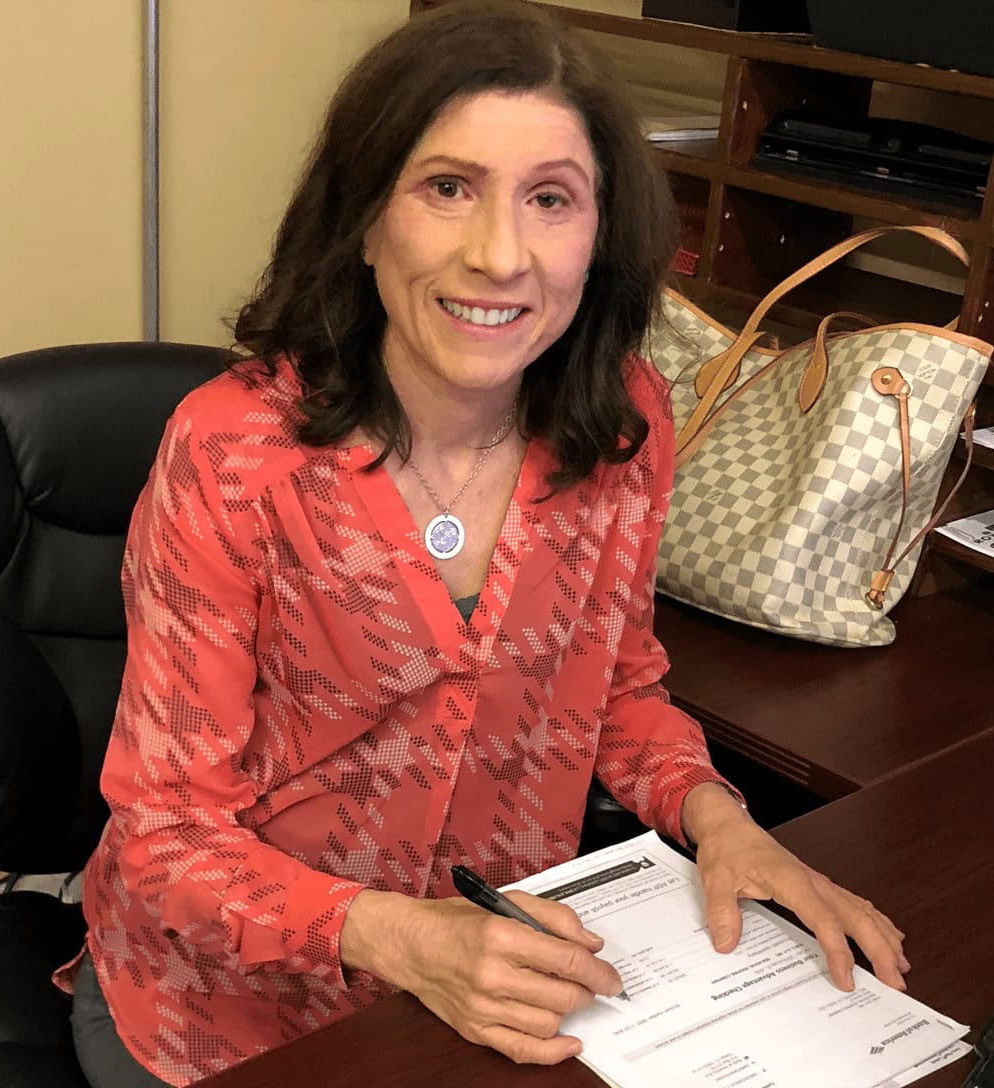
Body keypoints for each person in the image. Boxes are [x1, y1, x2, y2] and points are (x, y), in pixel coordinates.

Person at [58, 3, 910, 1085]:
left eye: (549, 199)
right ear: (364, 220)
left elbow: (617, 692)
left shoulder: (620, 423)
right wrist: (403, 938)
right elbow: (166, 834)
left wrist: (720, 820)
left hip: (499, 989)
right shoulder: (233, 454)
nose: (499, 252)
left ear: (600, 237)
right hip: (230, 1013)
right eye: (447, 187)